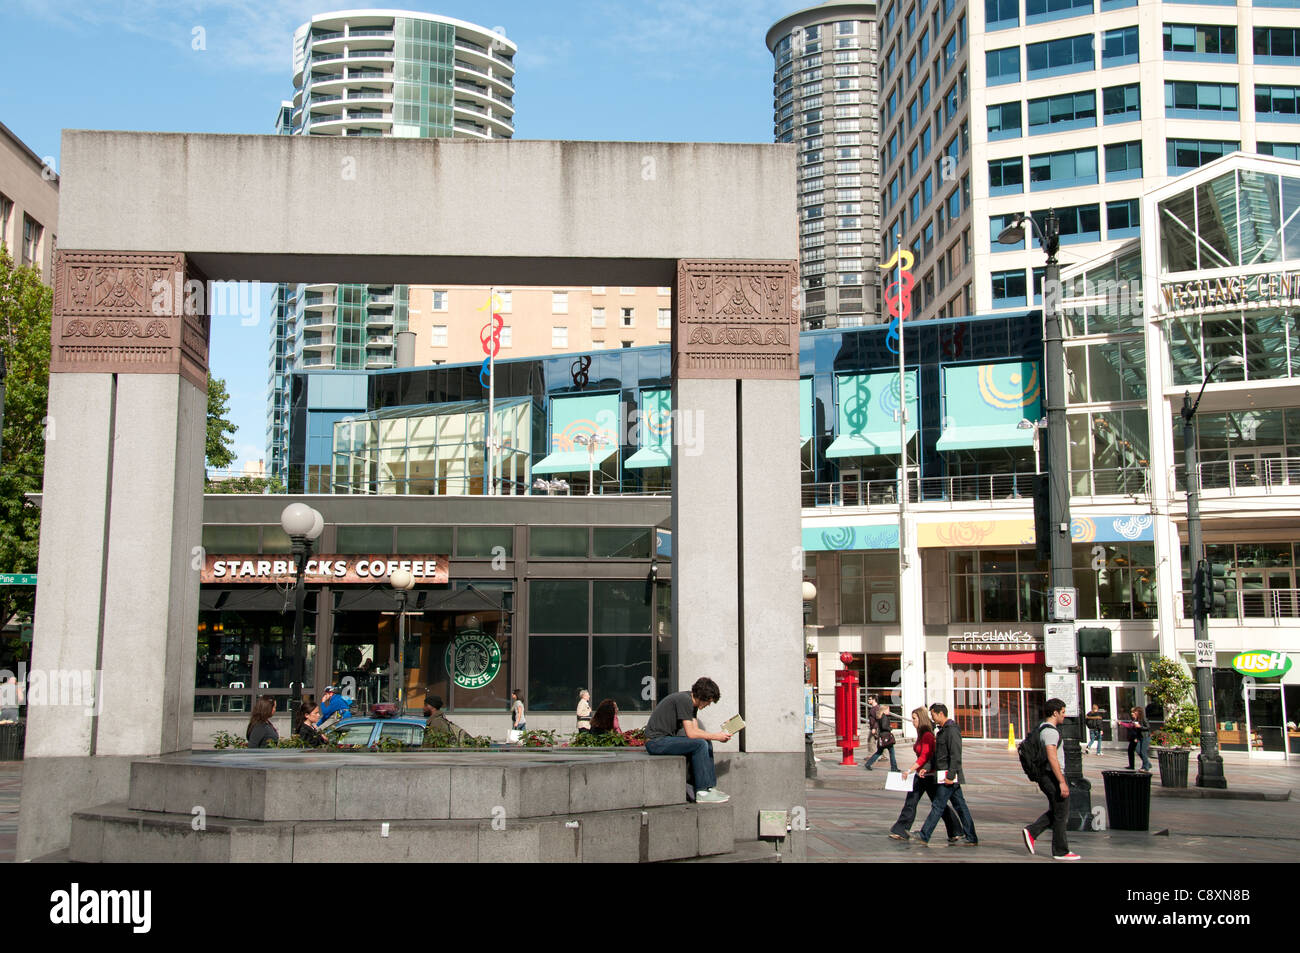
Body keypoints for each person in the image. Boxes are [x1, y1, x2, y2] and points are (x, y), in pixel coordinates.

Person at [644, 676, 733, 804]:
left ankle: (710, 788)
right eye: (709, 701)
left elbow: (696, 731)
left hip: (663, 740)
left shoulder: (692, 703)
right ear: (703, 697)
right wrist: (716, 736)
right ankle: (702, 792)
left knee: (705, 742)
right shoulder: (684, 700)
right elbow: (691, 733)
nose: (709, 705)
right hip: (655, 742)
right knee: (700, 744)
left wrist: (720, 735)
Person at [888, 707, 959, 842]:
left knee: (937, 805)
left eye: (914, 718)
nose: (912, 721)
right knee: (916, 802)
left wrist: (910, 770)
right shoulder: (921, 734)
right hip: (922, 774)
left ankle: (955, 830)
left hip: (928, 774)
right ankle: (901, 830)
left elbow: (925, 756)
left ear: (921, 719)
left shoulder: (927, 735)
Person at [1022, 698, 1081, 860]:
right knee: (1061, 813)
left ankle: (1032, 832)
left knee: (1058, 810)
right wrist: (1062, 782)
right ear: (1055, 713)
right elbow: (1052, 757)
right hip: (1052, 776)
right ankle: (1060, 851)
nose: (1064, 715)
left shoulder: (1041, 728)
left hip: (1045, 775)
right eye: (1063, 712)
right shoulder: (1050, 732)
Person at [916, 703, 978, 846]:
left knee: (938, 805)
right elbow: (938, 755)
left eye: (933, 715)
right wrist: (927, 767)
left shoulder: (952, 730)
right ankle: (971, 837)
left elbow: (956, 755)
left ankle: (924, 835)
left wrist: (950, 776)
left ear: (940, 714)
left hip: (948, 776)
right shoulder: (942, 731)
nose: (932, 718)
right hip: (944, 775)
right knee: (960, 806)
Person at [862, 706, 899, 771]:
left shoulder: (880, 717)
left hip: (882, 737)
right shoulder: (884, 717)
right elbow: (884, 726)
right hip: (886, 737)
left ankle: (868, 764)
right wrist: (890, 728)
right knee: (892, 753)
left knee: (879, 752)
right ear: (884, 710)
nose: (889, 711)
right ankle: (894, 767)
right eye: (888, 710)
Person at [1119, 706, 1152, 771]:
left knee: (1143, 752)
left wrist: (1140, 726)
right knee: (1138, 750)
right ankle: (1147, 763)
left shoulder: (1143, 719)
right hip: (1139, 737)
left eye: (1135, 711)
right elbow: (1132, 727)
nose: (1133, 713)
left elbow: (1148, 727)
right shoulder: (1135, 720)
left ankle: (1145, 767)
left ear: (1139, 712)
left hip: (1145, 737)